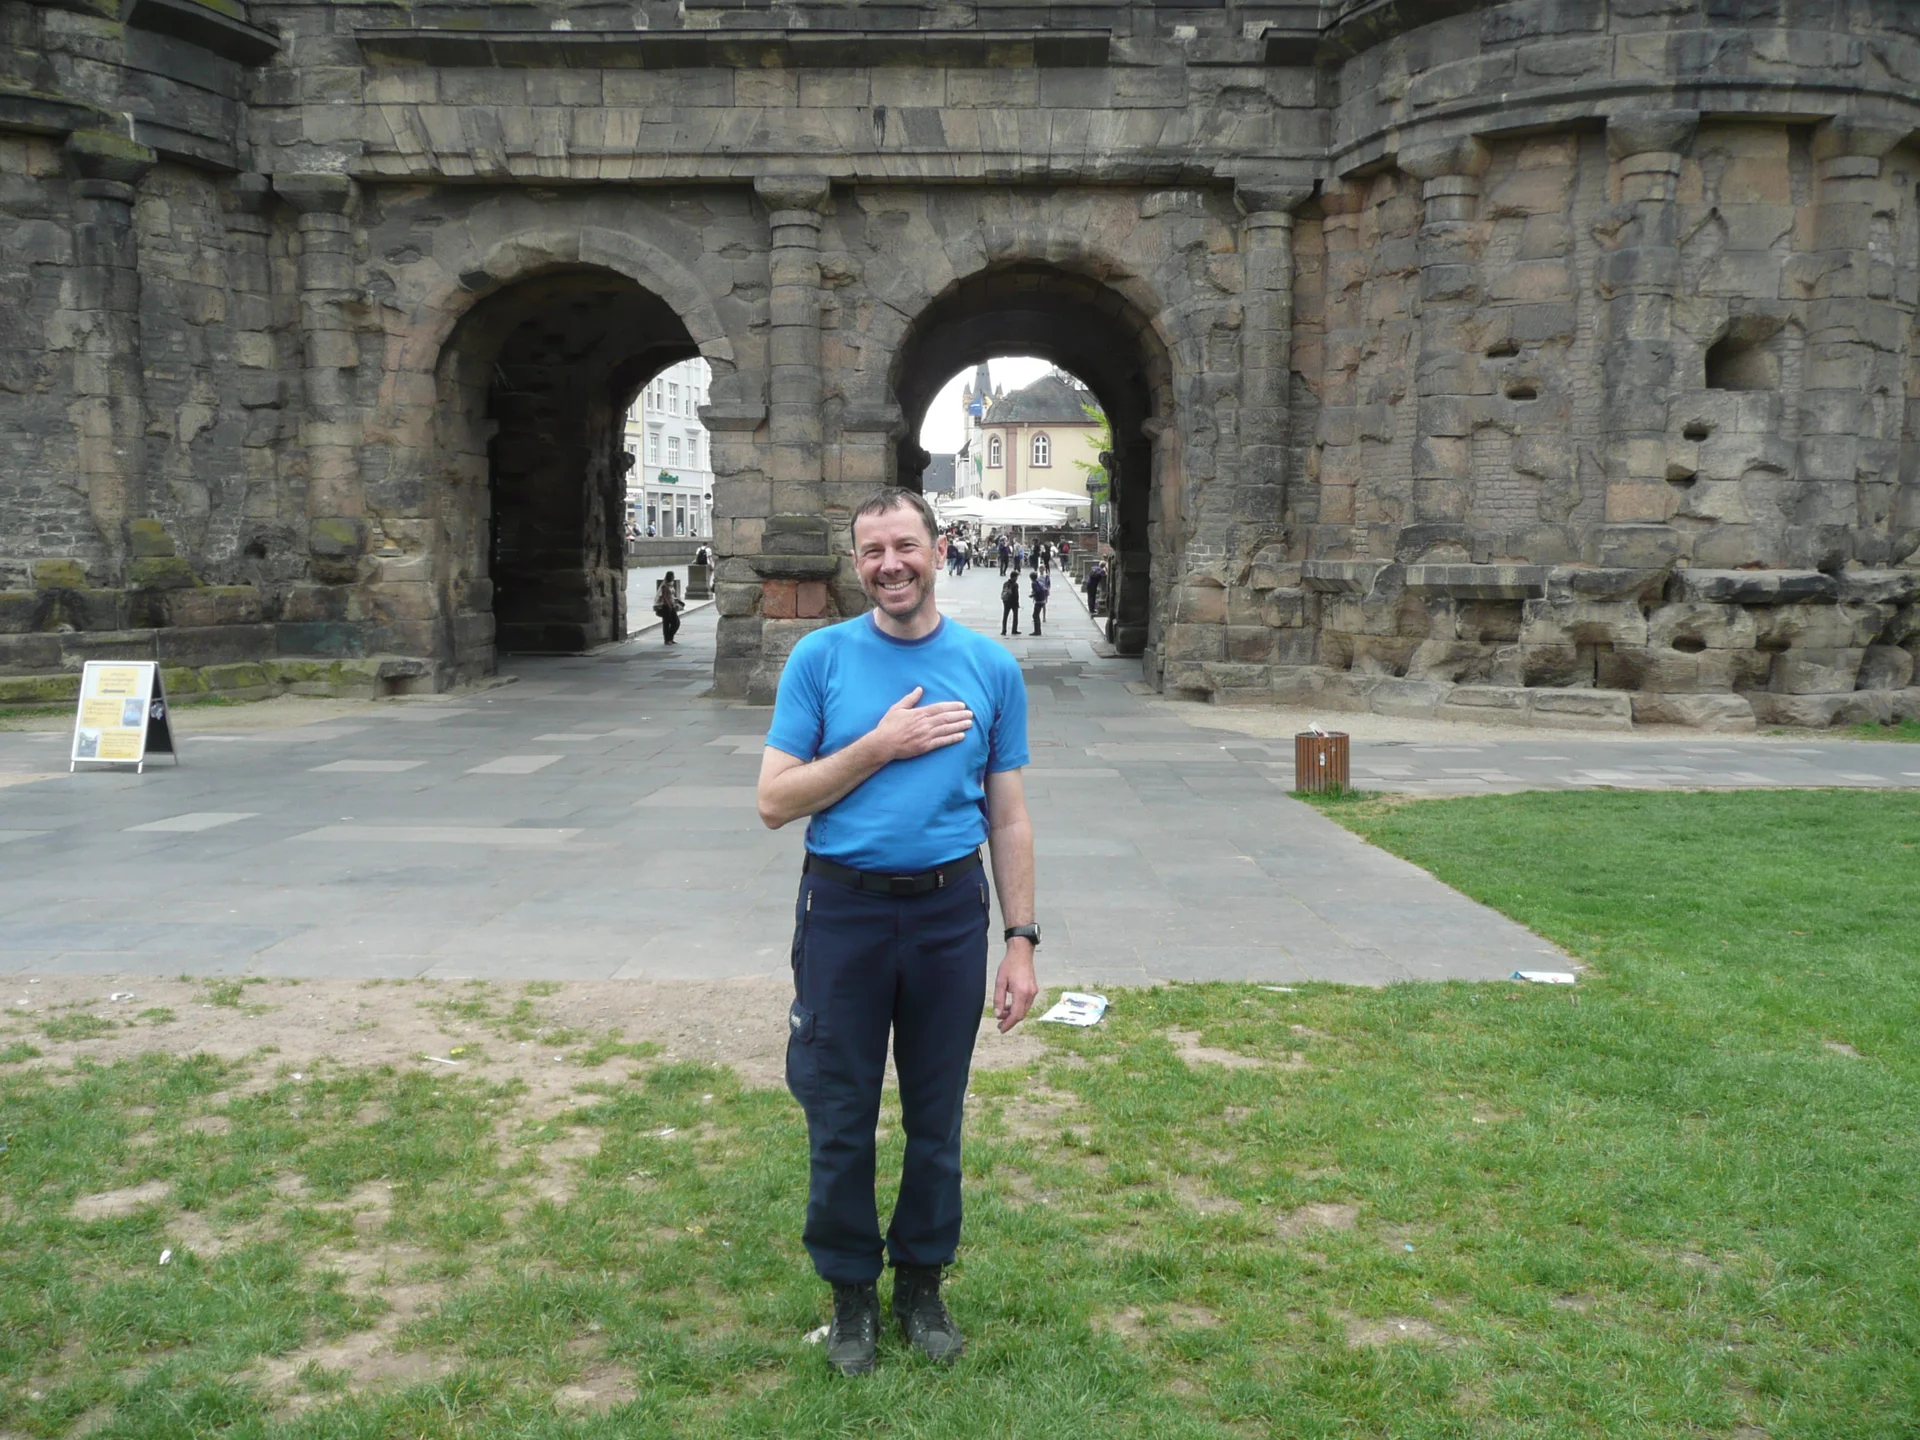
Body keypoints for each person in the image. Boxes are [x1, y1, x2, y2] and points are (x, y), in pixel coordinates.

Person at [757, 487, 1040, 1378]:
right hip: (842, 912)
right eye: (873, 551)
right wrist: (880, 745)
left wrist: (1021, 939)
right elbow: (774, 800)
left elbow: (1009, 816)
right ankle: (851, 1294)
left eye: (906, 546)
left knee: (935, 1114)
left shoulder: (990, 668)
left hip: (948, 914)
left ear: (939, 550)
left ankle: (921, 1282)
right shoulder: (820, 659)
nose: (891, 565)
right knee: (840, 1113)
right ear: (856, 563)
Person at [654, 570, 683, 645]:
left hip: (672, 605)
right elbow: (664, 597)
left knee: (676, 622)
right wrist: (669, 605)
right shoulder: (665, 586)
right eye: (673, 576)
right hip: (666, 607)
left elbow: (671, 595)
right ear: (670, 577)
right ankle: (667, 640)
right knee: (666, 623)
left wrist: (676, 601)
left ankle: (670, 637)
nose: (674, 577)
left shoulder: (671, 585)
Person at [1029, 566, 1049, 637]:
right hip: (1042, 599)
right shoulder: (1037, 582)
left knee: (1035, 615)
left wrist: (1032, 595)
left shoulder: (1034, 583)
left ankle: (1037, 631)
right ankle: (1038, 630)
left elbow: (1037, 591)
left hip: (1039, 601)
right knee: (1036, 615)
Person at [1000, 569, 1021, 636]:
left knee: (1005, 616)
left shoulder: (1005, 583)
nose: (1017, 578)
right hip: (1013, 602)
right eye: (1016, 577)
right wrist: (1017, 603)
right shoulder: (1015, 585)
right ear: (1014, 577)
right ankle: (1014, 630)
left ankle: (1004, 630)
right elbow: (1016, 595)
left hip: (1006, 601)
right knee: (1015, 617)